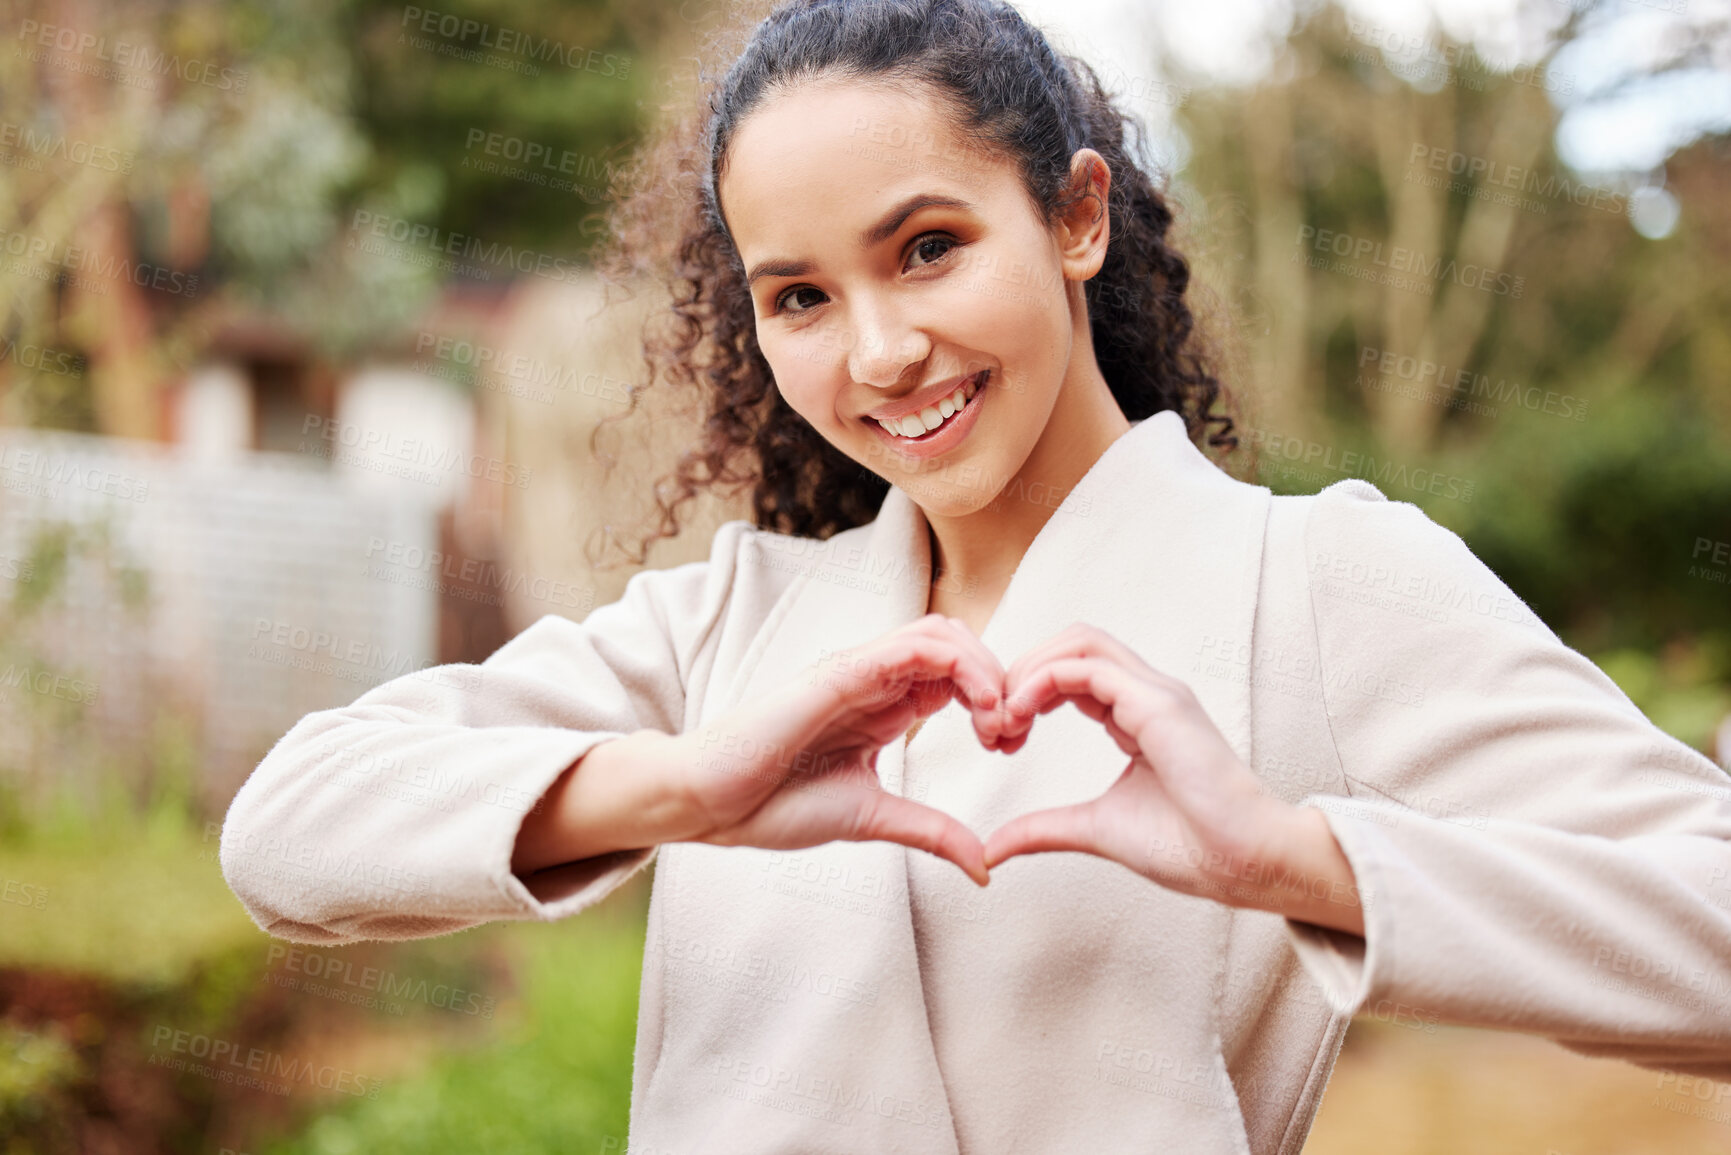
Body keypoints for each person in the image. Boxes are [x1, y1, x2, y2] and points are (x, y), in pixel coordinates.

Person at [220, 1, 1731, 1151]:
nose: (879, 353)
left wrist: (1295, 862)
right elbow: (287, 836)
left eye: (929, 247)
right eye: (800, 296)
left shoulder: (1317, 585)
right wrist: (685, 789)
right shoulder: (728, 626)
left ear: (1075, 216)